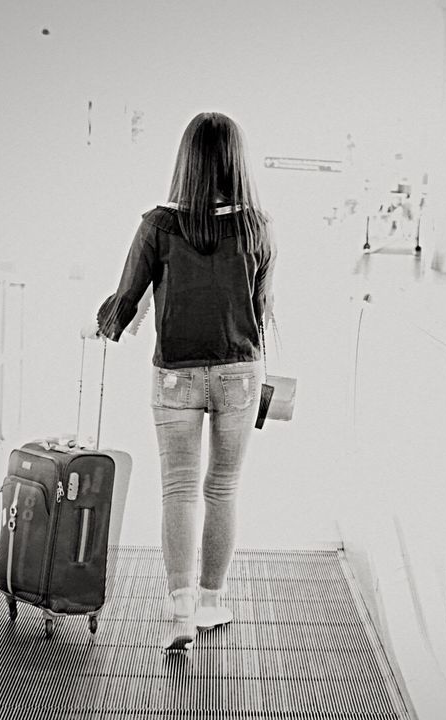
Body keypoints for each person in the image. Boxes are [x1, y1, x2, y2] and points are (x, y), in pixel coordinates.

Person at [83, 112, 276, 653]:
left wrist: (104, 327)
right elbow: (261, 307)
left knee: (179, 491)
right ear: (235, 161)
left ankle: (181, 609)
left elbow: (127, 295)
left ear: (186, 160)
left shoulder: (158, 224)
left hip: (175, 375)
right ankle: (214, 601)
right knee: (222, 490)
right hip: (240, 369)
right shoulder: (257, 224)